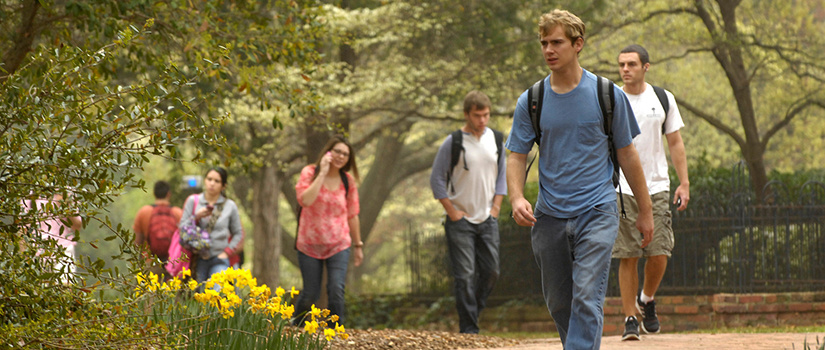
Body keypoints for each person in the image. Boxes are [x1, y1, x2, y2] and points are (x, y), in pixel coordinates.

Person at [505, 9, 654, 350]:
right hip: (550, 215)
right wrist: (516, 197)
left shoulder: (606, 95)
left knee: (587, 296)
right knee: (560, 302)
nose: (548, 50)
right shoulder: (532, 101)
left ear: (578, 44)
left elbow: (628, 155)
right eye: (544, 43)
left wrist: (645, 212)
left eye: (557, 42)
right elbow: (516, 156)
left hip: (597, 209)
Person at [614, 44, 690, 340]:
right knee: (628, 254)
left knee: (659, 251)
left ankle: (646, 299)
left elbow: (675, 142)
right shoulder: (613, 99)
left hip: (657, 184)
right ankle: (630, 318)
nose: (625, 70)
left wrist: (683, 182)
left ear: (646, 66)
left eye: (631, 64)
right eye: (621, 65)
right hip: (622, 186)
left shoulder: (662, 98)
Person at [429, 90, 506, 334]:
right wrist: (451, 211)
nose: (482, 120)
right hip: (460, 220)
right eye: (477, 115)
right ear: (466, 115)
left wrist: (496, 208)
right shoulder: (454, 142)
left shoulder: (496, 139)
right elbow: (436, 180)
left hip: (487, 219)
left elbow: (502, 175)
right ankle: (469, 329)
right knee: (465, 275)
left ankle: (473, 312)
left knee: (492, 271)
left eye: (486, 115)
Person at [293, 135, 364, 326]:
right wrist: (322, 172)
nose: (341, 156)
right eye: (338, 151)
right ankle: (296, 328)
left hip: (339, 243)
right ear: (328, 152)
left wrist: (358, 245)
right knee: (311, 293)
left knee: (336, 288)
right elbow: (305, 200)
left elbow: (352, 214)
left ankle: (335, 332)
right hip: (309, 244)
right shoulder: (309, 172)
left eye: (346, 154)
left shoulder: (347, 181)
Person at [179, 167, 244, 283]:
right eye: (209, 179)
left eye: (217, 181)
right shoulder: (193, 201)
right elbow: (182, 228)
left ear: (223, 186)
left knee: (216, 292)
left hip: (219, 258)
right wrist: (197, 216)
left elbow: (238, 233)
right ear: (205, 180)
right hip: (196, 259)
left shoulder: (230, 206)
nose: (212, 183)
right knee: (198, 295)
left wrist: (227, 252)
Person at [24, 193, 82, 283]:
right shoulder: (30, 194)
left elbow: (77, 226)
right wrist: (25, 256)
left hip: (63, 249)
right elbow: (23, 229)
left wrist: (66, 207)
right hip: (37, 253)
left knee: (65, 287)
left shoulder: (66, 192)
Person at [132, 180, 183, 280]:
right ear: (169, 194)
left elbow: (137, 243)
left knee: (148, 293)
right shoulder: (178, 213)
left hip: (149, 263)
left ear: (154, 193)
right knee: (170, 293)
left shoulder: (144, 212)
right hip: (172, 264)